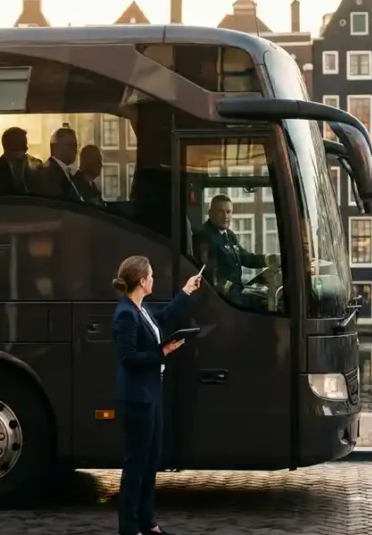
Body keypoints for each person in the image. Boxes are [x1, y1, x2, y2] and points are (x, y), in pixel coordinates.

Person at [112, 256, 201, 535]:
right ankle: (129, 527)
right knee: (136, 465)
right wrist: (161, 353)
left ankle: (149, 523)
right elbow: (128, 359)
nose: (153, 280)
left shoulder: (141, 309)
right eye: (150, 276)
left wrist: (186, 291)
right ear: (141, 281)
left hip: (150, 395)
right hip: (136, 398)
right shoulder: (125, 313)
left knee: (151, 462)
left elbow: (163, 317)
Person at [193, 194, 278, 302]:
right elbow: (209, 275)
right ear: (210, 214)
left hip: (234, 292)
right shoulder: (204, 237)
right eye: (220, 211)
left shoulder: (229, 235)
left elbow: (245, 257)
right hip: (222, 299)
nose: (225, 216)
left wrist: (269, 259)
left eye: (228, 212)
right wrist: (232, 290)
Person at [0, 126, 44, 194]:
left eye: (25, 144)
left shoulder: (36, 165)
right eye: (22, 144)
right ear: (9, 145)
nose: (26, 148)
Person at [43, 125, 84, 202]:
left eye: (76, 146)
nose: (75, 150)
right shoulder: (48, 173)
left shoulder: (67, 173)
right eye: (71, 145)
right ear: (56, 146)